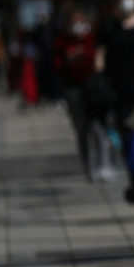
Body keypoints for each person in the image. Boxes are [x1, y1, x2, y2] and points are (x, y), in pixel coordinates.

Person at [97, 0, 134, 183]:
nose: (126, 1)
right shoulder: (109, 26)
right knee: (126, 131)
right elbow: (100, 54)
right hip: (118, 88)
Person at [53, 9, 100, 180]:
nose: (77, 25)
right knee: (81, 128)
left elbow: (97, 59)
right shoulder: (62, 42)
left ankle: (102, 162)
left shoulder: (91, 38)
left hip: (92, 86)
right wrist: (69, 59)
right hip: (73, 88)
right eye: (74, 21)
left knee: (97, 126)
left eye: (80, 20)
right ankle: (88, 164)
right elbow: (56, 66)